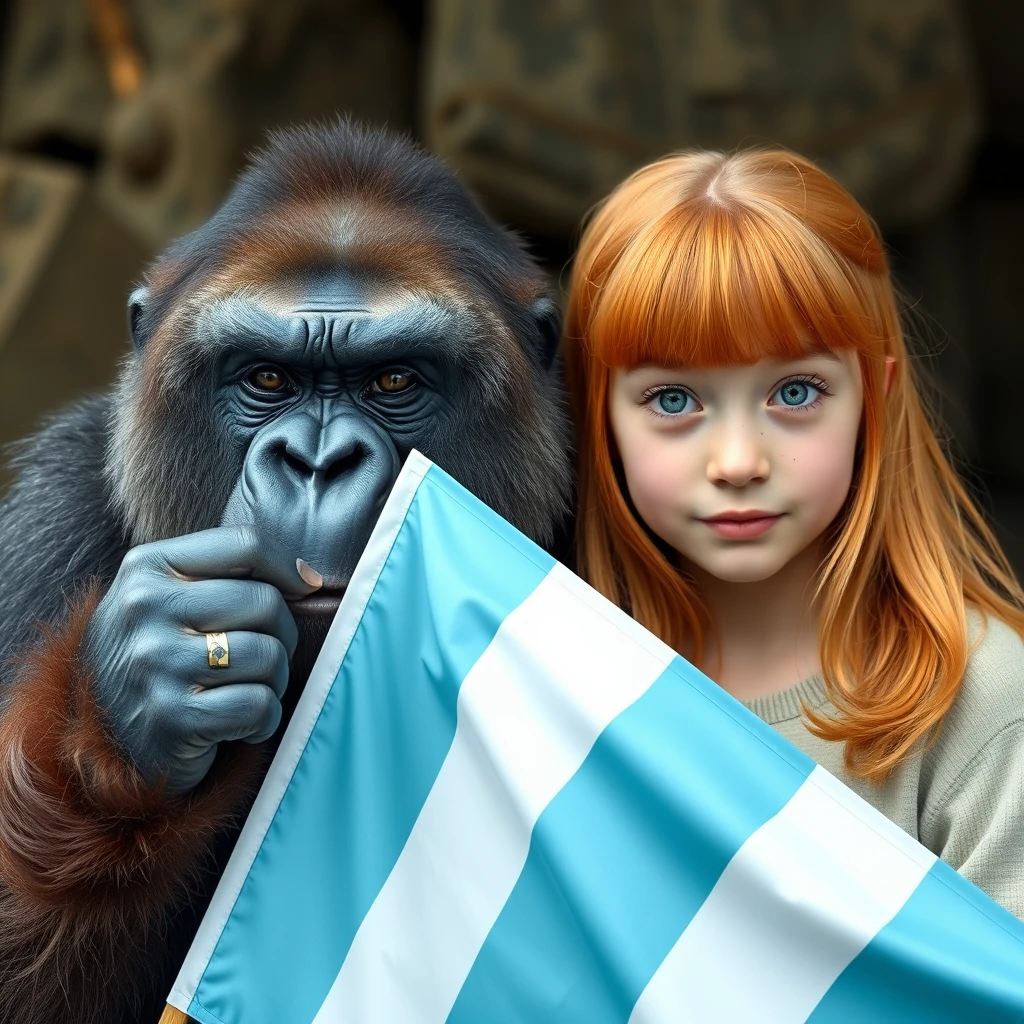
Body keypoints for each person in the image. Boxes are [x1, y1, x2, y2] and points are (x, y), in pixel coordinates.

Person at [561, 148, 1024, 918]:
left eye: (796, 391)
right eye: (673, 400)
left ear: (872, 400)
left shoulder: (980, 702)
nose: (738, 462)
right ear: (598, 413)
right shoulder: (546, 677)